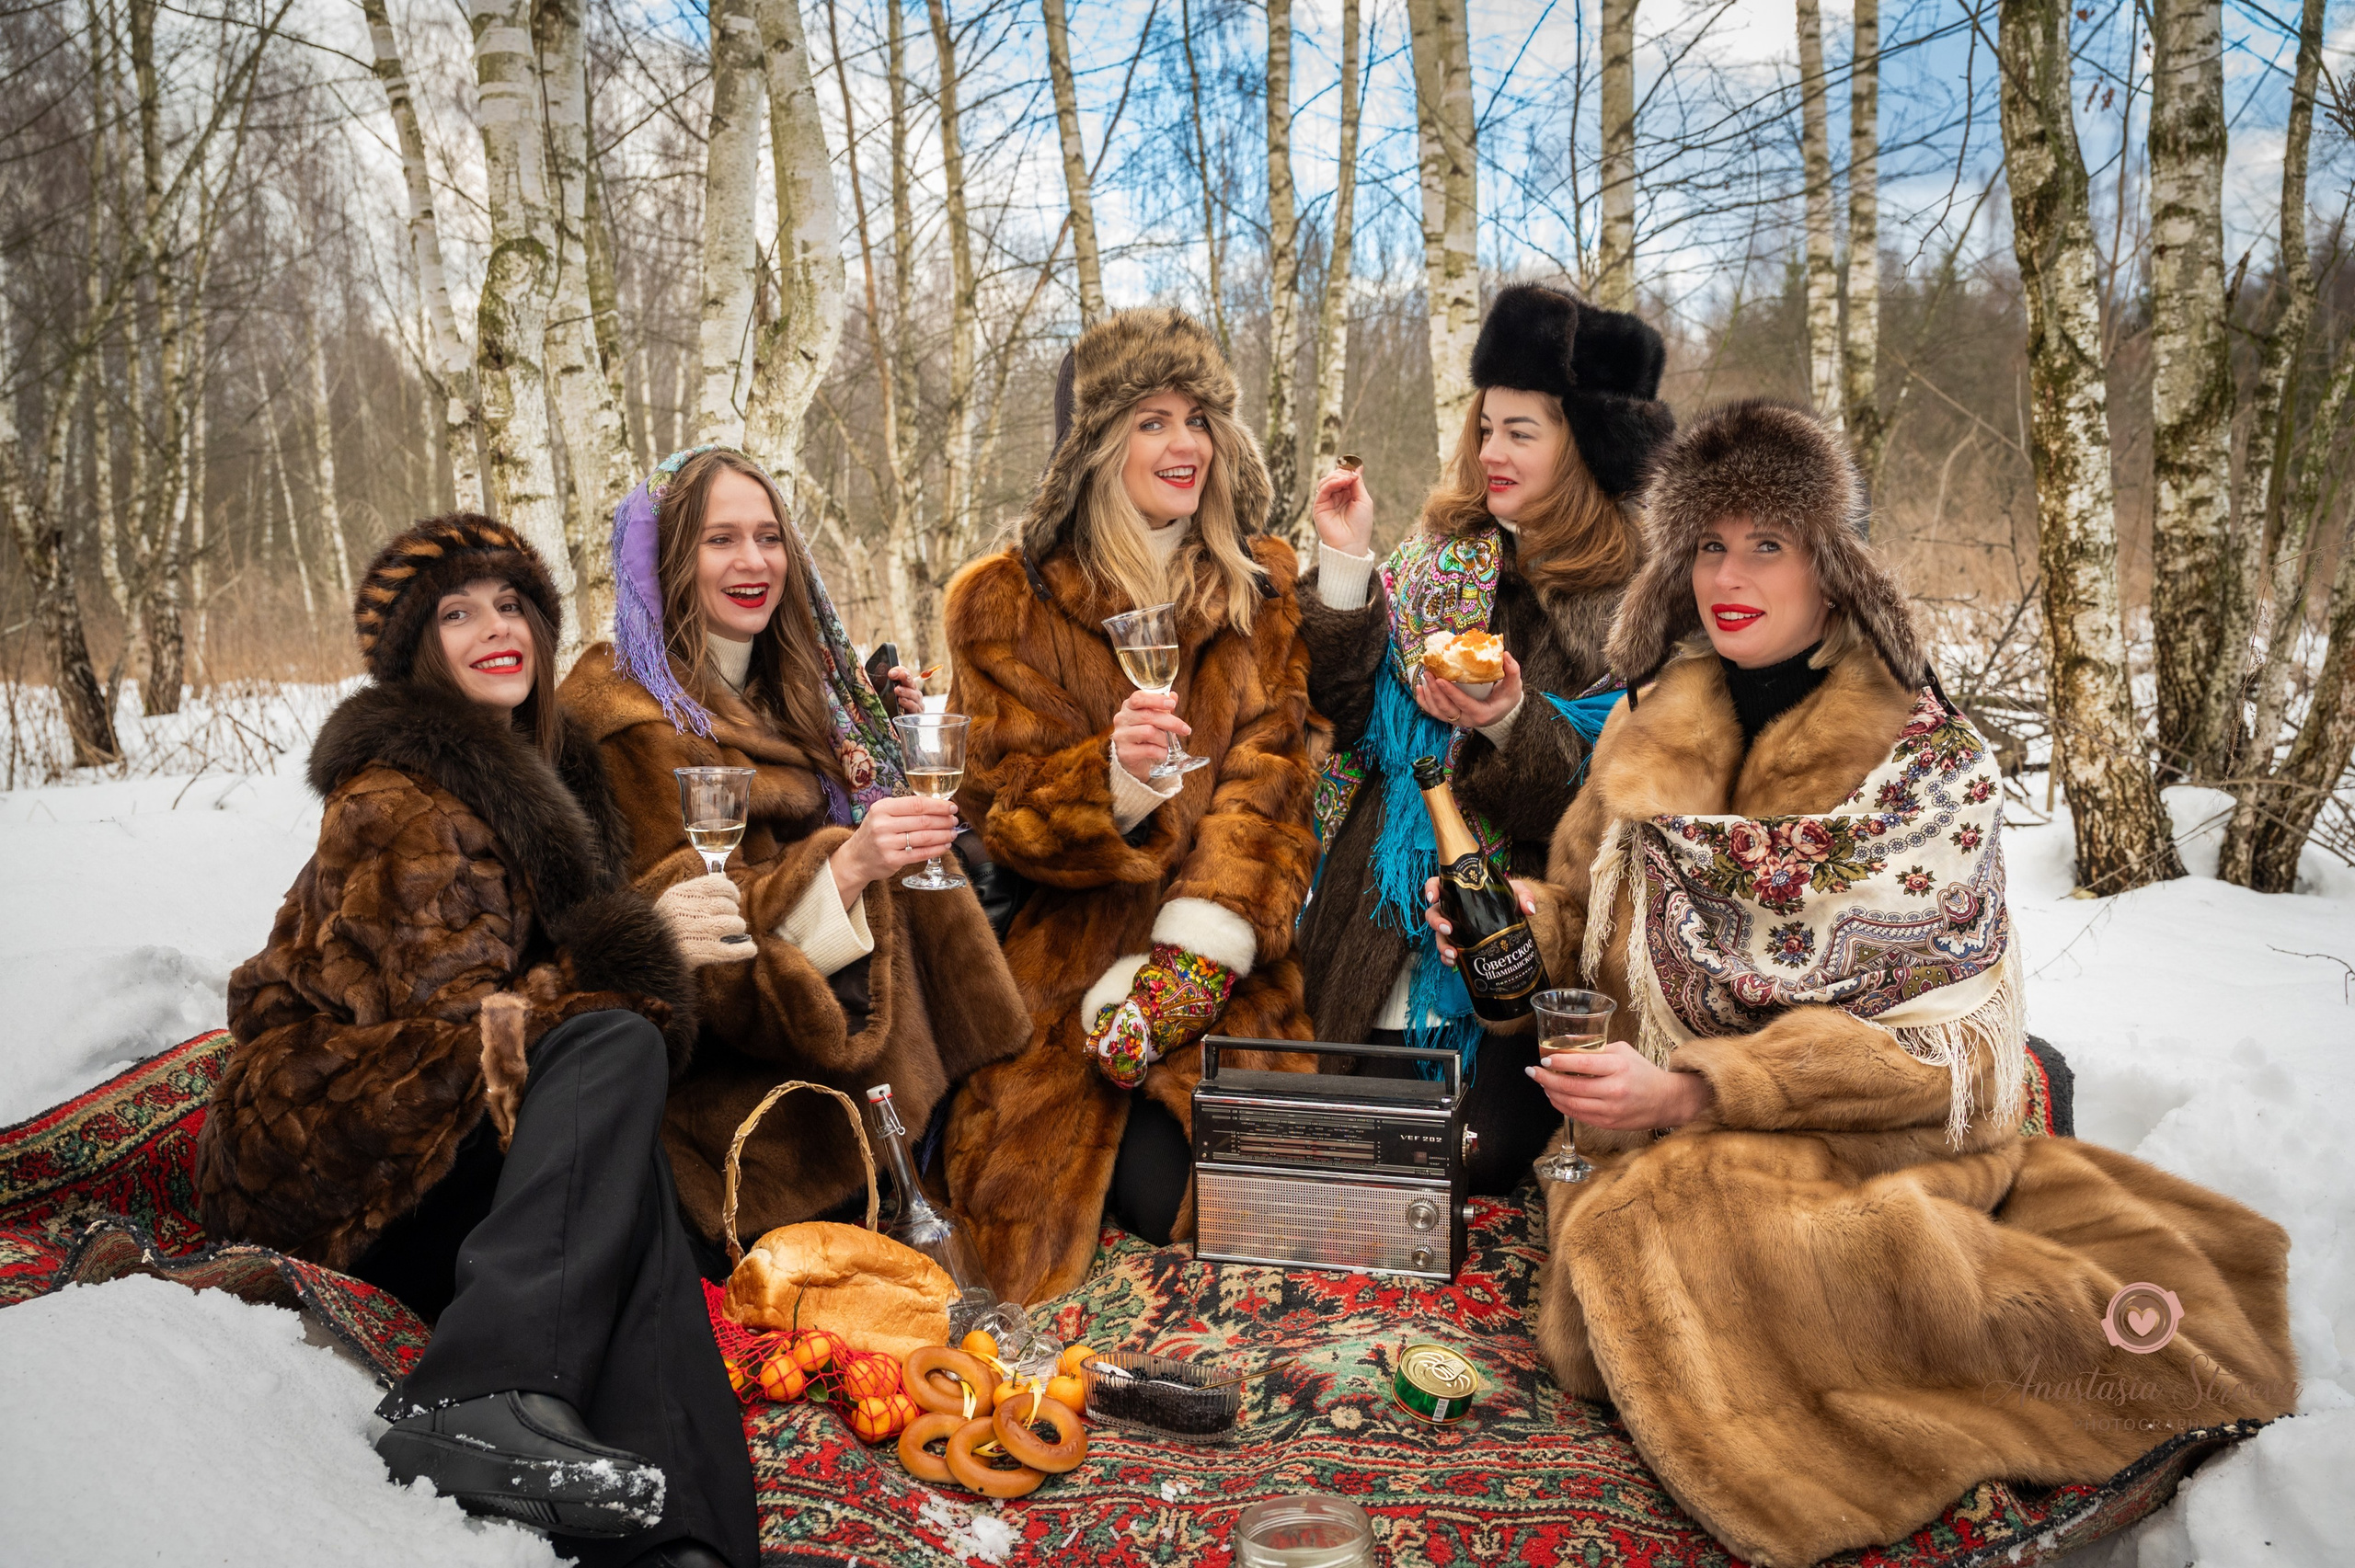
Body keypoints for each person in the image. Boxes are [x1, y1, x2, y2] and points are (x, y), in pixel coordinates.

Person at [1426, 400, 2296, 1566]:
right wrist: (1524, 928)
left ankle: (2070, 1358)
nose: (1728, 576)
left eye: (1766, 545)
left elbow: (1932, 1034)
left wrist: (1691, 1092)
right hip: (1639, 1112)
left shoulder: (1918, 762)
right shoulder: (1644, 721)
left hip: (1865, 1117)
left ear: (1830, 567)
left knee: (1648, 1239)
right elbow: (1592, 936)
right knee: (1620, 1260)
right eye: (1707, 545)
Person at [197, 516, 757, 1568]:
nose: (494, 629)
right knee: (609, 1049)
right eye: (457, 613)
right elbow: (456, 1030)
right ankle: (478, 1390)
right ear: (420, 651)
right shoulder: (396, 796)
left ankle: (687, 1542)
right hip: (339, 1137)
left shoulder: (546, 779)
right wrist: (639, 956)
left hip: (453, 1131)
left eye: (512, 606)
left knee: (627, 1173)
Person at [558, 445, 1028, 1253]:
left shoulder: (803, 690)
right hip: (751, 1107)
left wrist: (878, 734)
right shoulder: (626, 718)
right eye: (720, 539)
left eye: (770, 536)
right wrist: (843, 869)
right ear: (668, 558)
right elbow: (693, 951)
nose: (754, 562)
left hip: (881, 1048)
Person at [940, 307, 1320, 1304]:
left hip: (1220, 962)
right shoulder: (1003, 600)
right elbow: (1002, 806)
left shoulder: (1255, 586)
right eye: (1151, 419)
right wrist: (1114, 783)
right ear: (1097, 446)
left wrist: (1193, 956)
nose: (1183, 444)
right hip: (1064, 960)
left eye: (1196, 417)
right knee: (1023, 1231)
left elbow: (1273, 781)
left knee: (1238, 1225)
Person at [1297, 282, 1672, 1192]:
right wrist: (1347, 564)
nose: (1489, 451)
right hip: (1372, 916)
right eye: (1484, 427)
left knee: (1479, 1157)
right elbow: (1337, 711)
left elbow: (1605, 806)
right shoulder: (1433, 563)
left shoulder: (1630, 603)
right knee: (1347, 1147)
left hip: (1523, 944)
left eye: (1521, 431)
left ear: (1580, 445)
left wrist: (1505, 719)